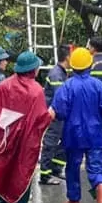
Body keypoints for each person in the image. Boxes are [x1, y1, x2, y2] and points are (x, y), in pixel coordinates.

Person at [50, 47, 102, 203]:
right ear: (90, 65)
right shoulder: (99, 85)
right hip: (96, 133)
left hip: (73, 134)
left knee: (72, 167)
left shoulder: (67, 86)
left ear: (72, 67)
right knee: (96, 166)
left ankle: (74, 201)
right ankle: (101, 193)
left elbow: (60, 111)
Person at [0, 51, 51, 203]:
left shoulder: (4, 85)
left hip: (4, 136)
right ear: (33, 69)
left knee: (5, 168)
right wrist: (51, 115)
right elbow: (40, 118)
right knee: (22, 170)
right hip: (24, 139)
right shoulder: (36, 90)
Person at [39, 45, 70, 185]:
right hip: (55, 114)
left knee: (66, 141)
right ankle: (44, 175)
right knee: (50, 143)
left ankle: (56, 168)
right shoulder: (57, 74)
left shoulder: (63, 72)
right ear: (68, 57)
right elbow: (60, 97)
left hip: (61, 115)